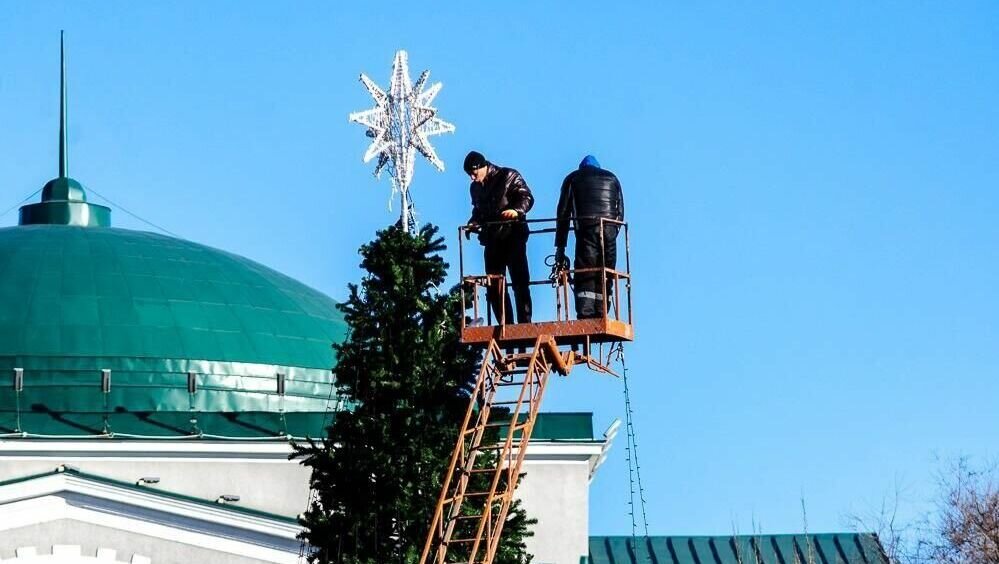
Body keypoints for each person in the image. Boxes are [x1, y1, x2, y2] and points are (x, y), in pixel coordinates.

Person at [465, 150, 534, 324]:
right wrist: (473, 222)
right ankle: (505, 323)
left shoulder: (508, 175)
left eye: (474, 174)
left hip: (513, 236)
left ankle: (524, 323)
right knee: (494, 285)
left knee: (519, 281)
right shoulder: (475, 188)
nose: (472, 178)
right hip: (492, 239)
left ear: (482, 167)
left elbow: (526, 196)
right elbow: (478, 211)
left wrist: (516, 211)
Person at [554, 155, 624, 319]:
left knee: (586, 271)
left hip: (586, 229)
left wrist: (560, 247)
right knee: (605, 270)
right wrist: (612, 232)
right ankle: (602, 312)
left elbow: (563, 215)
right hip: (609, 230)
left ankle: (586, 313)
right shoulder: (612, 178)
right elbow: (620, 212)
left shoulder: (573, 179)